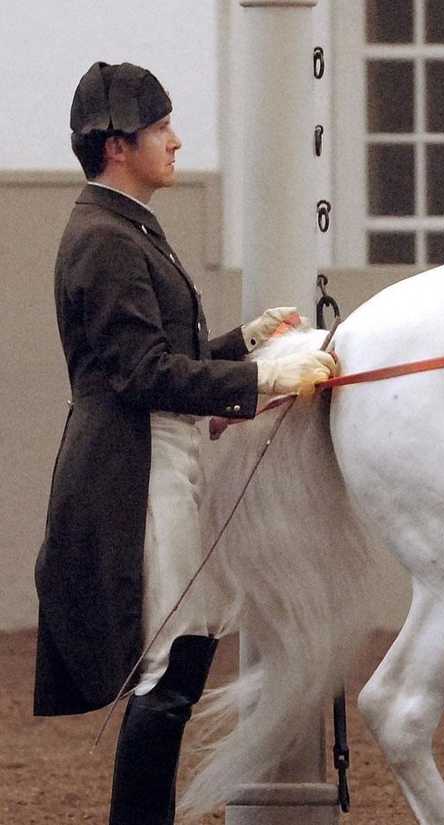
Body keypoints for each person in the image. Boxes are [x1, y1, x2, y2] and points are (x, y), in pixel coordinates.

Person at [34, 61, 338, 824]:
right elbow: (141, 373)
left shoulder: (127, 226)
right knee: (167, 671)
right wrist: (265, 381)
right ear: (116, 145)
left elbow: (160, 354)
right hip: (136, 469)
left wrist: (249, 342)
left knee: (186, 655)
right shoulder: (105, 239)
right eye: (161, 126)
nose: (175, 139)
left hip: (166, 456)